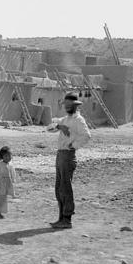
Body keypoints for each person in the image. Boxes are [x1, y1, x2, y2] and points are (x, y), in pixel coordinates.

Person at [47, 92, 91, 229]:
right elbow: (49, 127)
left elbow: (86, 136)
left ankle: (67, 219)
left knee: (65, 188)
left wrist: (73, 146)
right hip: (60, 155)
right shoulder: (65, 119)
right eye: (65, 104)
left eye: (68, 104)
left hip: (68, 155)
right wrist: (60, 127)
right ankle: (61, 218)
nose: (66, 107)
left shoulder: (78, 120)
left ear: (74, 105)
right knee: (59, 188)